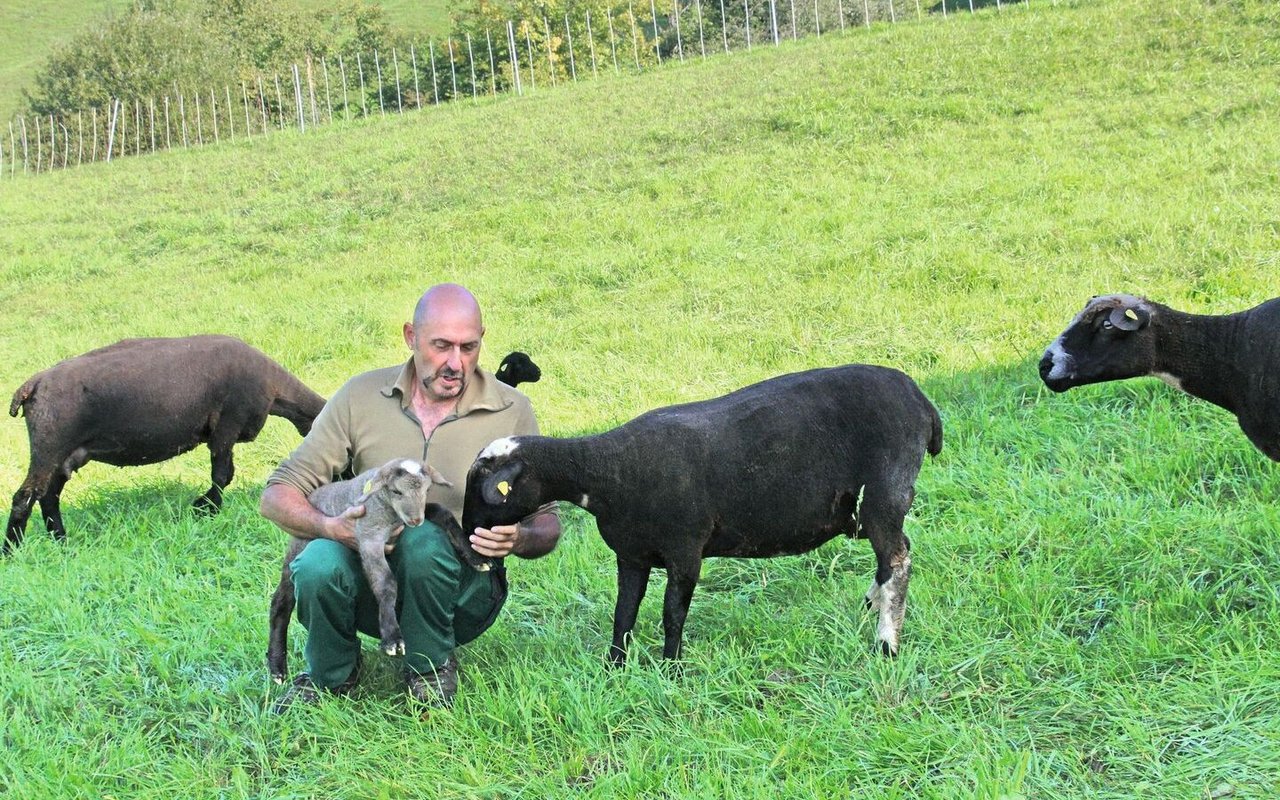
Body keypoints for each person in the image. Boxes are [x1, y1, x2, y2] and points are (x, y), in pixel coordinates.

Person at [260, 283, 560, 711]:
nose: (456, 362)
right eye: (441, 346)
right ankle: (331, 675)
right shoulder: (360, 397)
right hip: (372, 581)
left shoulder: (511, 409)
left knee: (422, 535)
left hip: (461, 590)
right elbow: (276, 494)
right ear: (410, 337)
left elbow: (548, 521)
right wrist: (330, 528)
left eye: (469, 347)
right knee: (316, 560)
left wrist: (520, 539)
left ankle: (430, 668)